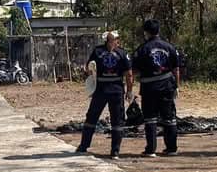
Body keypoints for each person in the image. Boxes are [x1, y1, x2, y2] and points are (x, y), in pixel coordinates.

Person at [76, 32, 133, 160]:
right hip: (116, 90)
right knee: (116, 121)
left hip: (101, 89)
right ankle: (115, 152)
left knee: (92, 117)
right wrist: (129, 91)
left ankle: (83, 146)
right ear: (116, 40)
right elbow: (129, 74)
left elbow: (88, 68)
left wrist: (91, 73)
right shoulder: (122, 53)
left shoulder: (97, 51)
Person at [132, 19, 181, 158]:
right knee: (169, 118)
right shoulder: (170, 47)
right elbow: (176, 69)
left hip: (149, 89)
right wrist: (177, 86)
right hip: (167, 86)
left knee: (150, 119)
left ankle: (151, 150)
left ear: (146, 32)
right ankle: (171, 148)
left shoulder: (142, 49)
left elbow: (133, 71)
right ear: (158, 31)